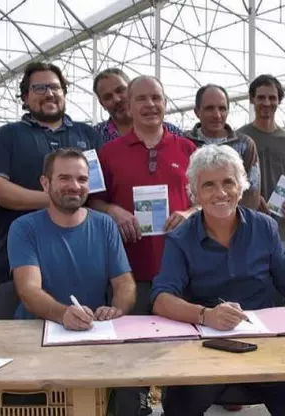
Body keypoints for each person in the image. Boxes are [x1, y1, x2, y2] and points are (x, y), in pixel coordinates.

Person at [150, 144, 285, 416]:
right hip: (205, 345)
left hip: (261, 342)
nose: (220, 193)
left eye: (228, 182)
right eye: (208, 185)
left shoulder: (264, 227)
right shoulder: (180, 239)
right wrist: (206, 315)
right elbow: (161, 298)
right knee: (179, 406)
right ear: (194, 192)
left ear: (241, 186)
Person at [89, 75, 197, 413]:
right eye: (142, 99)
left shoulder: (187, 149)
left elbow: (207, 198)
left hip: (179, 270)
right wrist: (113, 210)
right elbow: (91, 201)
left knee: (179, 355)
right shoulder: (108, 154)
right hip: (127, 271)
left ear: (165, 103)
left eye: (157, 98)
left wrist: (189, 212)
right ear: (129, 106)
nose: (150, 105)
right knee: (129, 355)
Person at [8, 148, 138, 416]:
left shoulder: (104, 225)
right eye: (64, 178)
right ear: (45, 183)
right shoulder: (24, 228)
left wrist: (117, 309)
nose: (74, 187)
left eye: (81, 179)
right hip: (37, 339)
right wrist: (62, 313)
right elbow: (29, 290)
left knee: (127, 395)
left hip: (92, 336)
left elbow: (125, 283)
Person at [0, 62, 104, 287]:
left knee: (81, 317)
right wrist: (57, 200)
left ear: (64, 93)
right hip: (21, 256)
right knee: (21, 317)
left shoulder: (87, 135)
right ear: (25, 97)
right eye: (39, 88)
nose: (49, 94)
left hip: (80, 254)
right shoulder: (8, 135)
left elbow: (98, 191)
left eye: (55, 87)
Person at [237, 74, 285, 247]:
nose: (267, 103)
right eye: (261, 97)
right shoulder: (239, 139)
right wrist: (252, 197)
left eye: (272, 98)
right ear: (252, 99)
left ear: (279, 100)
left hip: (279, 229)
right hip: (244, 225)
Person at [184, 84, 261, 209]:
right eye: (209, 108)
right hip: (193, 222)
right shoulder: (185, 142)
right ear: (197, 112)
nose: (217, 115)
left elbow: (252, 191)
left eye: (222, 108)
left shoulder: (244, 144)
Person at [93, 67, 183, 143]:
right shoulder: (92, 136)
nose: (117, 99)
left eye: (120, 90)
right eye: (108, 97)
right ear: (102, 104)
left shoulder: (173, 132)